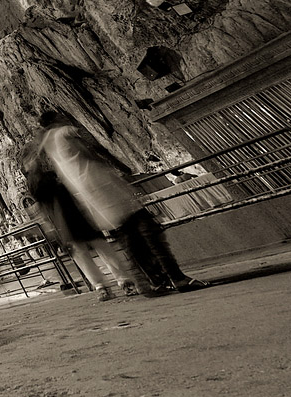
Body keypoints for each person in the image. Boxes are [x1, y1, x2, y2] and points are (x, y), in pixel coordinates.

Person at [37, 110, 206, 294]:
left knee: (130, 238)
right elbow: (89, 138)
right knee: (148, 231)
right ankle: (176, 278)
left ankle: (151, 282)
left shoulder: (50, 149)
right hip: (104, 185)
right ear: (56, 119)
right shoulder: (65, 131)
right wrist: (111, 160)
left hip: (92, 197)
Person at [22, 134, 139, 301]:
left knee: (103, 249)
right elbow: (40, 191)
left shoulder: (52, 174)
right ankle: (101, 286)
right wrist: (35, 169)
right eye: (30, 161)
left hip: (80, 217)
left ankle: (124, 281)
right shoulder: (36, 183)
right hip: (64, 223)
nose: (34, 161)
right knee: (84, 255)